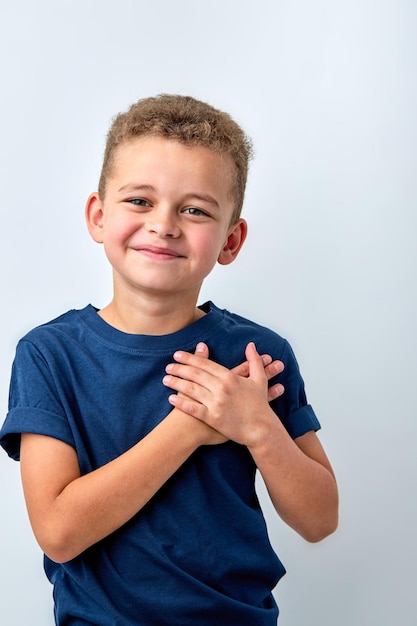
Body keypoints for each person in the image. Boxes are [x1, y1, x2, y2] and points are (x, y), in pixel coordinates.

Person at [0, 94, 338, 625]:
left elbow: (320, 519)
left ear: (231, 239)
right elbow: (59, 533)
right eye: (139, 200)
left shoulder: (259, 357)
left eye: (195, 209)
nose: (164, 225)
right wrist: (189, 427)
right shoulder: (49, 355)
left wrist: (258, 428)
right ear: (97, 215)